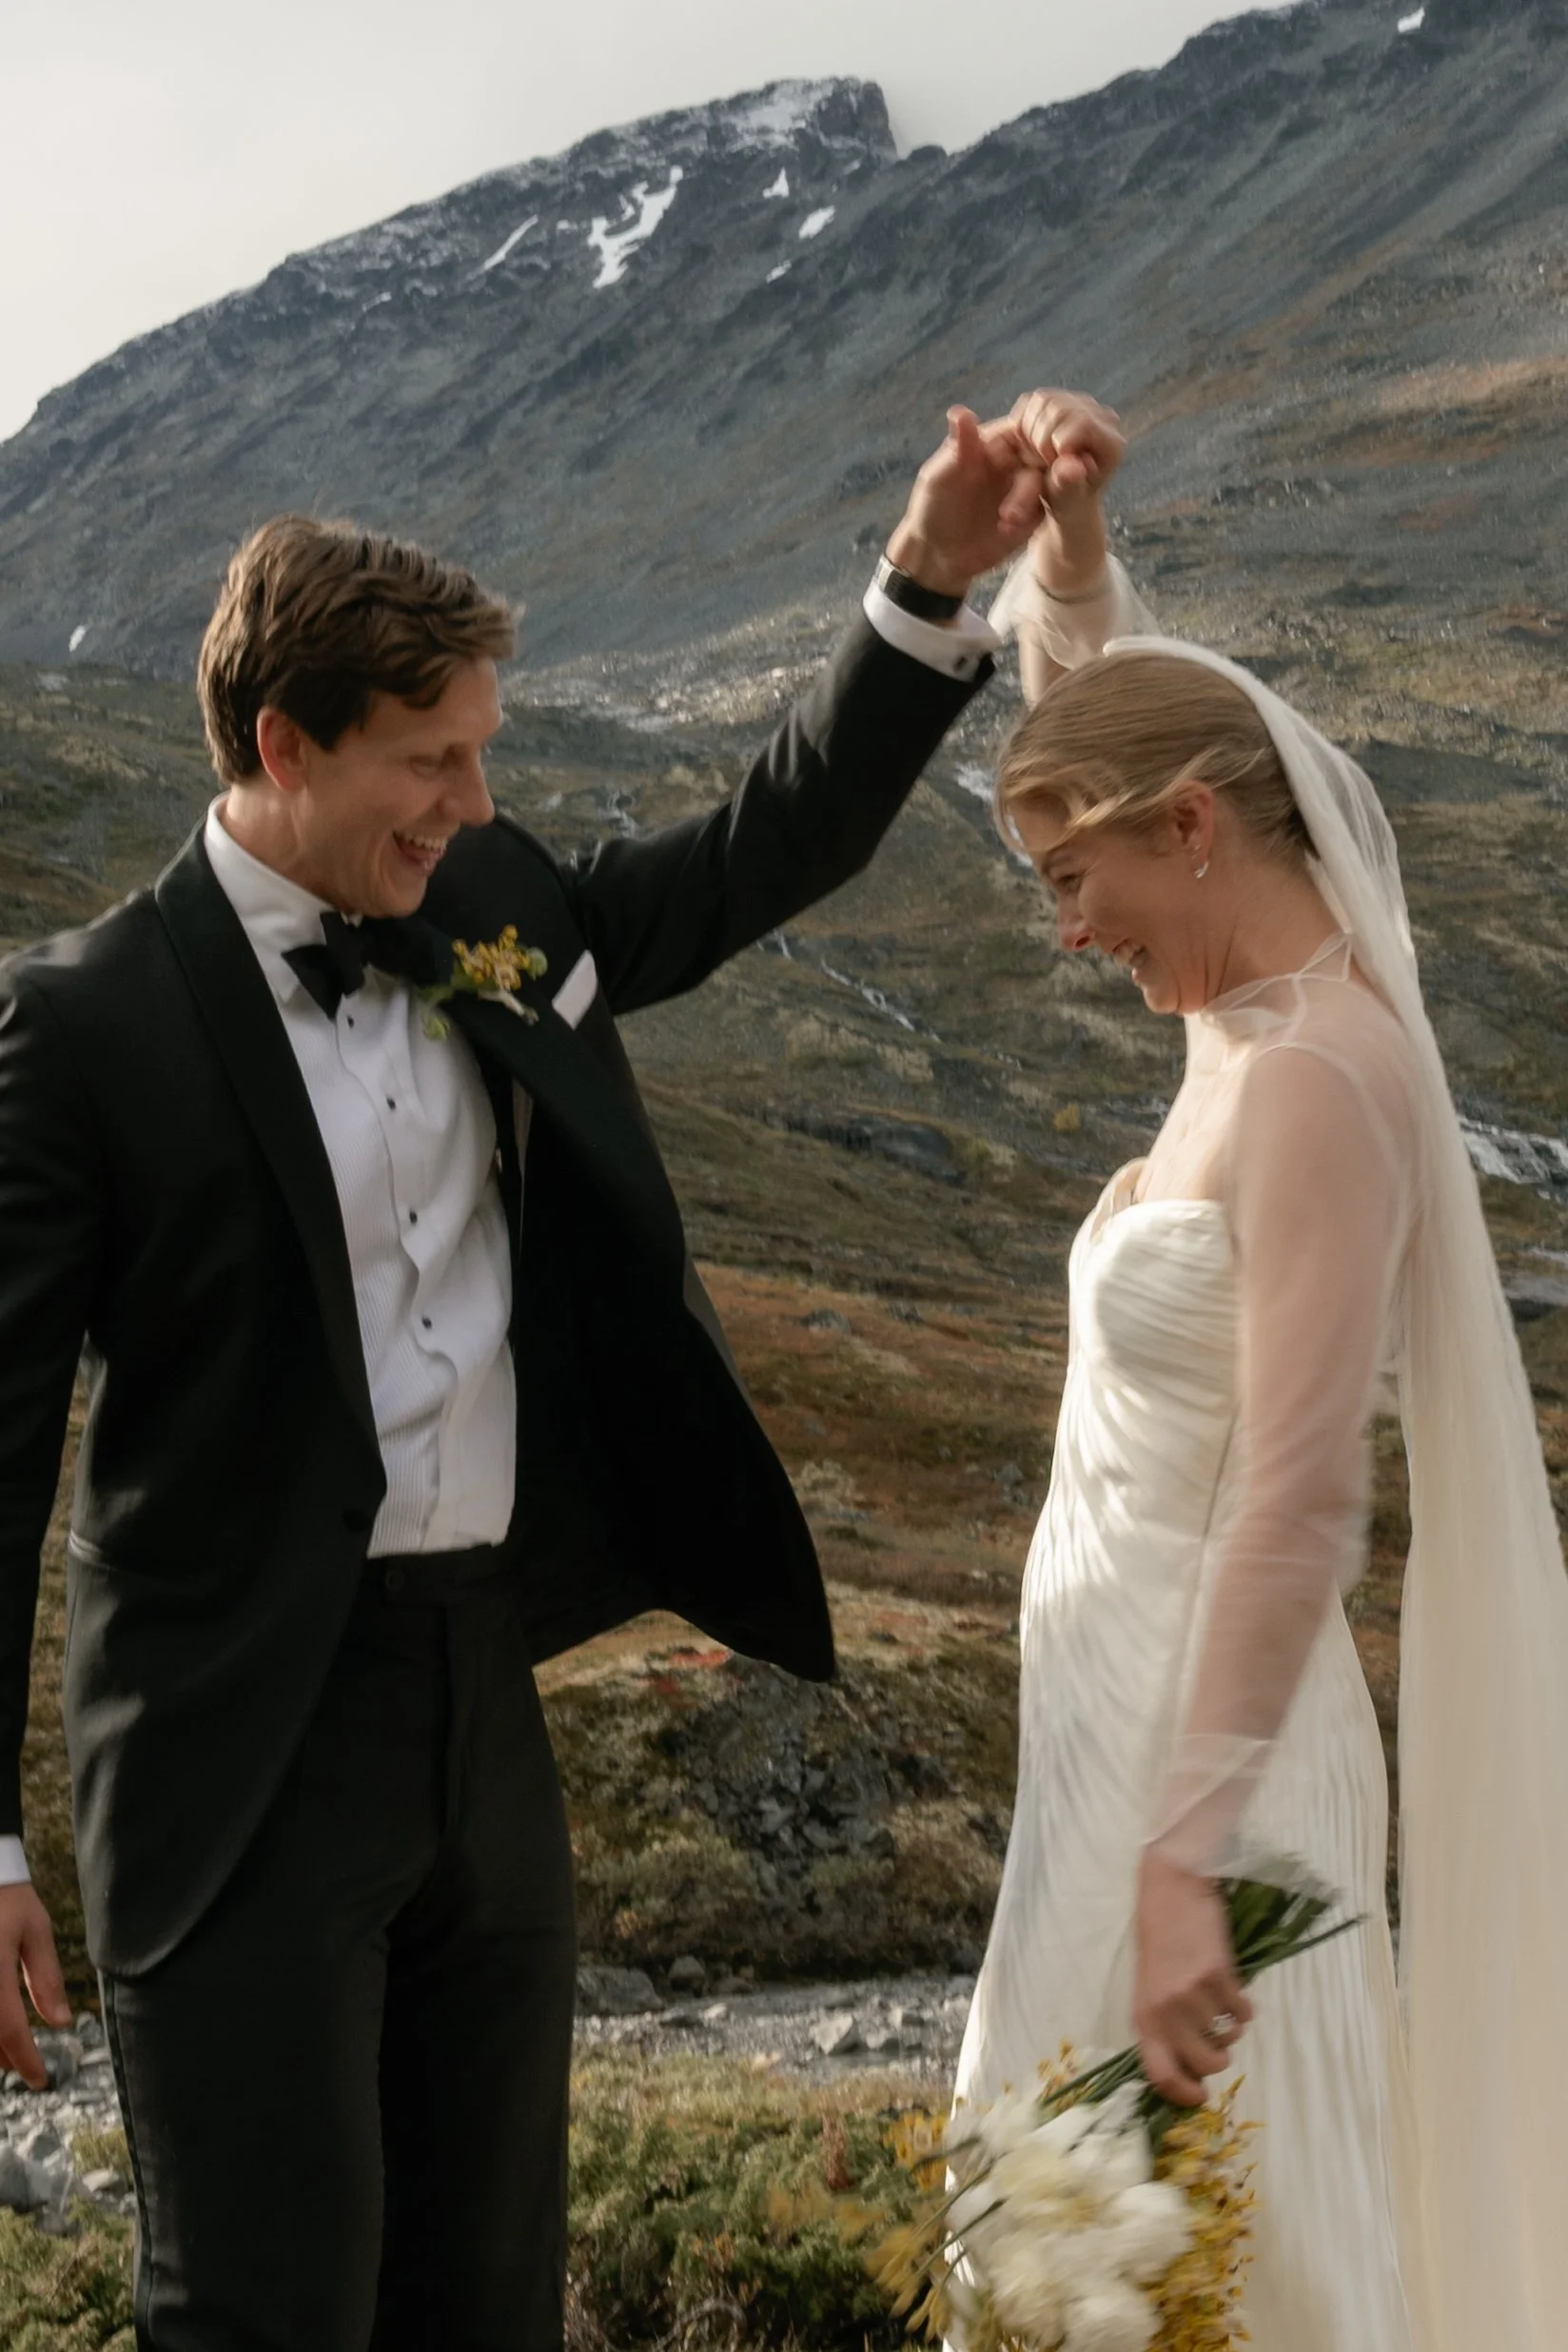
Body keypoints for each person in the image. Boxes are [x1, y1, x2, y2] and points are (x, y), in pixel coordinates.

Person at [0, 397, 1123, 2351]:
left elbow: (771, 838)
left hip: (480, 1703)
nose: (462, 800)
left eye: (480, 757)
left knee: (488, 2301)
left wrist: (931, 576)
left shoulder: (493, 899)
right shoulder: (79, 1026)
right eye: (426, 761)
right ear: (283, 742)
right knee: (261, 2308)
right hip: (228, 1747)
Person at [946, 393, 1568, 2349]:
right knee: (1074, 2254)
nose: (1065, 935)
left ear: (1196, 830)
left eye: (1071, 885)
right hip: (1112, 1740)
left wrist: (1182, 1866)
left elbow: (1298, 1494)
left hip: (1200, 1775)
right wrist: (1066, 560)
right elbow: (1106, 732)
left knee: (1226, 2252)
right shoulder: (1242, 1006)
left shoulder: (1311, 1078)